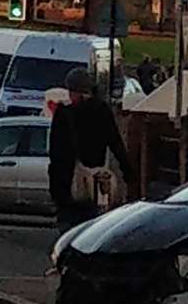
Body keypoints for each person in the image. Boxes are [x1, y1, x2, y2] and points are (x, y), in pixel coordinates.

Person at [48, 67, 134, 233]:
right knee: (92, 224)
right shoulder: (101, 110)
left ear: (74, 91)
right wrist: (127, 170)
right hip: (96, 178)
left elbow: (55, 151)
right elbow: (115, 142)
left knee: (69, 225)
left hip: (68, 181)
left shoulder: (64, 113)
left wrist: (55, 186)